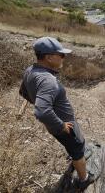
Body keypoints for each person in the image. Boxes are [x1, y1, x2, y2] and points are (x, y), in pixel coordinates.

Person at [19, 37, 94, 191]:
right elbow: (42, 111)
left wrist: (49, 117)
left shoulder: (30, 70)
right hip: (64, 126)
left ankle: (73, 158)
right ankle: (83, 179)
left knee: (70, 145)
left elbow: (23, 92)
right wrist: (61, 125)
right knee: (78, 147)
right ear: (48, 57)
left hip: (53, 124)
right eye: (60, 54)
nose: (63, 57)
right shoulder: (48, 81)